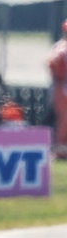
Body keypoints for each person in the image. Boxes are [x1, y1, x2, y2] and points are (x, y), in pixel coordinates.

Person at [50, 21, 67, 158]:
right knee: (64, 118)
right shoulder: (62, 48)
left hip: (61, 85)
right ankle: (60, 149)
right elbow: (53, 65)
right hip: (62, 86)